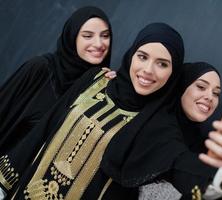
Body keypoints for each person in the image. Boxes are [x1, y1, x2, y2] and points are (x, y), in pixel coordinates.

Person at [6, 22, 184, 199]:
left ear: (173, 73)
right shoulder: (96, 79)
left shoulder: (157, 125)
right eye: (142, 57)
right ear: (132, 55)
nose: (148, 70)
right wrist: (3, 182)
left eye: (162, 64)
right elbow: (44, 128)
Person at [0, 5, 112, 198]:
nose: (99, 43)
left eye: (105, 35)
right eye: (87, 36)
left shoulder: (99, 90)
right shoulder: (40, 69)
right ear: (72, 36)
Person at [102, 62, 222, 200]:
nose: (210, 97)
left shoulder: (199, 144)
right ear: (182, 86)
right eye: (201, 87)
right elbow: (182, 167)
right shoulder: (158, 127)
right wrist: (121, 81)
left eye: (216, 93)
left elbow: (205, 192)